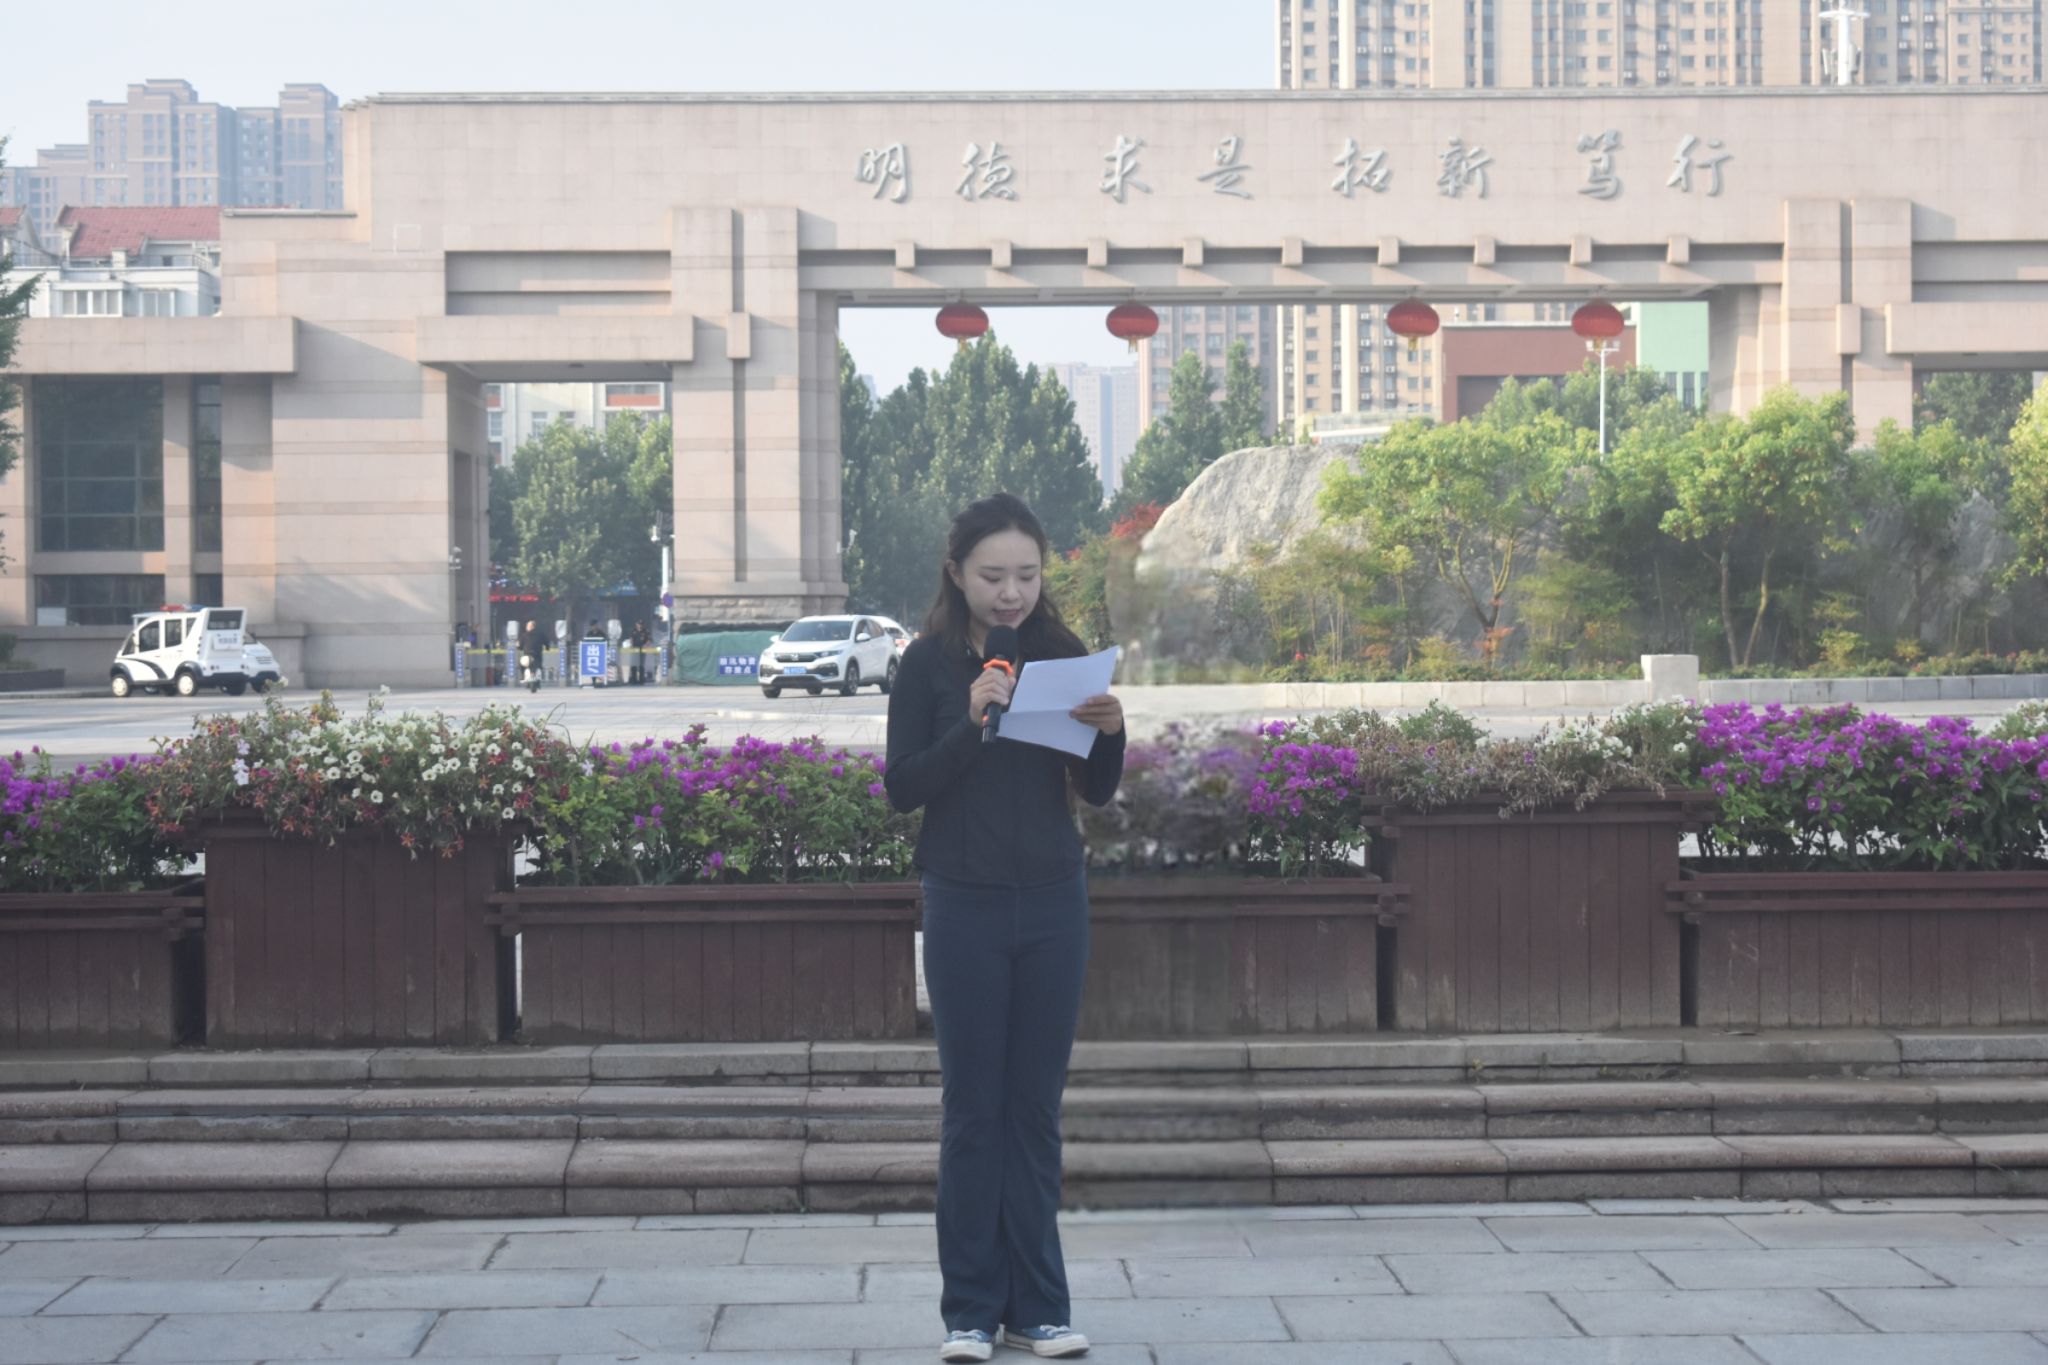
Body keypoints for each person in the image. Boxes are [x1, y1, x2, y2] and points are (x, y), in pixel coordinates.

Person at [883, 492, 1125, 1364]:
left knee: (1033, 1110)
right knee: (973, 1110)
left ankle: (1041, 1307)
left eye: (1026, 574)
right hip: (964, 902)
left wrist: (1112, 732)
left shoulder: (1061, 653)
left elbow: (1096, 789)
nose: (1012, 592)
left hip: (1054, 901)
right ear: (957, 573)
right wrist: (972, 718)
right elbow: (902, 786)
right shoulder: (925, 665)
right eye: (993, 575)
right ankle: (971, 1312)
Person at [516, 619, 545, 694]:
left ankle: (523, 677)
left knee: (521, 665)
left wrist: (518, 646)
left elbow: (519, 646)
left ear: (531, 626)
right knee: (539, 666)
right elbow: (546, 642)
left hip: (527, 656)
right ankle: (538, 681)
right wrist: (547, 647)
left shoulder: (524, 635)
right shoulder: (541, 634)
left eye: (528, 626)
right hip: (537, 656)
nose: (526, 627)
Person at [629, 619, 651, 684]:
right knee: (634, 665)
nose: (640, 625)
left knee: (641, 665)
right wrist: (631, 645)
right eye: (639, 624)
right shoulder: (633, 631)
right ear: (636, 624)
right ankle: (634, 680)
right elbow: (631, 639)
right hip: (635, 649)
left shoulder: (646, 631)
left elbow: (649, 640)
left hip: (642, 649)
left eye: (641, 624)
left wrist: (646, 645)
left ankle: (641, 680)